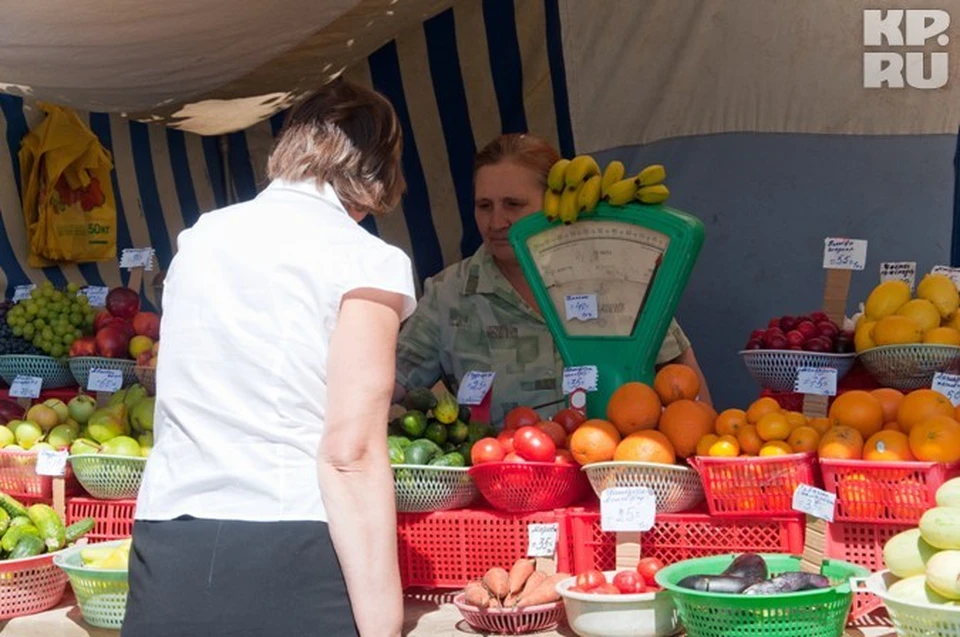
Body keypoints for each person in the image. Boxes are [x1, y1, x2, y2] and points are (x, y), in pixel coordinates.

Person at [123, 79, 416, 637]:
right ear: (378, 169)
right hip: (288, 548)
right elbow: (349, 454)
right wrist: (384, 623)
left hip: (169, 544)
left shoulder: (200, 239)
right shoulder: (367, 259)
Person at [394, 134, 710, 425]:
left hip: (618, 477)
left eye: (513, 205)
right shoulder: (448, 294)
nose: (497, 221)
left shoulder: (614, 276)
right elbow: (390, 384)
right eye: (484, 206)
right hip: (504, 480)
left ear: (553, 203)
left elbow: (689, 388)